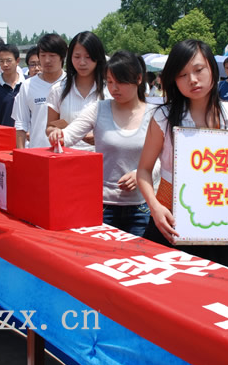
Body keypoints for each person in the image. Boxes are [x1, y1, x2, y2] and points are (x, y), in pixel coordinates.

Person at [137, 39, 228, 270]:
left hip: (216, 227)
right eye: (182, 74)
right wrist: (155, 208)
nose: (192, 79)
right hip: (169, 225)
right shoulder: (163, 118)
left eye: (199, 70)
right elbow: (144, 170)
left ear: (212, 69)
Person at [49, 51, 154, 236]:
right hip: (103, 206)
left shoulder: (154, 114)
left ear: (138, 79)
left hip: (140, 207)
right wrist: (58, 135)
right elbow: (69, 135)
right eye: (110, 82)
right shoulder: (98, 109)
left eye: (121, 82)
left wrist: (140, 174)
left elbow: (163, 158)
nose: (114, 88)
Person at [45, 31, 107, 151]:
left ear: (98, 57)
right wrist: (55, 132)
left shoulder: (109, 90)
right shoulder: (58, 89)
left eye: (88, 57)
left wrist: (102, 136)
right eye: (77, 57)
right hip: (67, 155)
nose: (82, 62)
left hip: (102, 157)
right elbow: (49, 126)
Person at [12, 33, 67, 148]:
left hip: (69, 151)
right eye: (43, 55)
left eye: (52, 55)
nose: (47, 60)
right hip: (38, 150)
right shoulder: (28, 85)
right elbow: (21, 123)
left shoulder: (71, 83)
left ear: (62, 57)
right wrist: (21, 153)